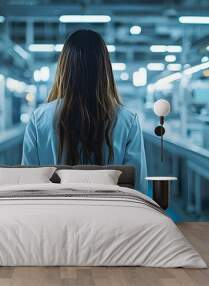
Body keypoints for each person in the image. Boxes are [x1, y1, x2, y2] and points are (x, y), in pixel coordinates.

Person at [21, 29, 147, 192]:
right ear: (105, 69)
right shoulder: (128, 120)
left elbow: (27, 185)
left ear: (64, 69)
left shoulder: (39, 118)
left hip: (53, 214)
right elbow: (138, 188)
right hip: (110, 215)